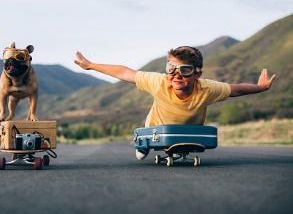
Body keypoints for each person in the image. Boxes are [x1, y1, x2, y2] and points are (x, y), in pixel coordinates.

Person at [74, 46, 276, 159]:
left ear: (197, 74)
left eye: (185, 70)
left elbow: (236, 89)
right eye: (171, 68)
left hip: (188, 131)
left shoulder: (207, 88)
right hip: (156, 126)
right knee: (146, 143)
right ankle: (143, 144)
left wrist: (261, 87)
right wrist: (91, 65)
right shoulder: (159, 82)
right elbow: (126, 72)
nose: (176, 75)